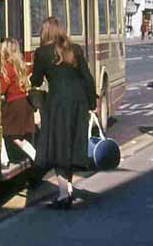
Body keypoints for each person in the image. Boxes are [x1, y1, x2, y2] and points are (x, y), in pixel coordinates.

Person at [31, 16, 96, 210]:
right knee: (70, 146)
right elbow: (87, 78)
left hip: (58, 104)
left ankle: (62, 195)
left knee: (58, 149)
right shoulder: (74, 49)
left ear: (45, 32)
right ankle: (67, 190)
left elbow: (36, 80)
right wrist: (91, 104)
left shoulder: (42, 53)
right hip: (78, 103)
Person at [0, 38, 35, 164]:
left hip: (14, 106)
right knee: (18, 136)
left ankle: (5, 160)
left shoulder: (7, 68)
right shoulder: (20, 66)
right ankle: (35, 156)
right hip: (24, 103)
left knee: (5, 133)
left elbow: (2, 89)